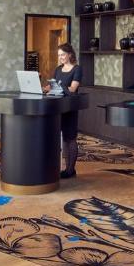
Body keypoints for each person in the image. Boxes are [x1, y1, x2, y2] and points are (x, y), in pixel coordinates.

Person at [47, 43, 82, 178]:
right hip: (58, 107)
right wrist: (49, 88)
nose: (60, 57)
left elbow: (72, 89)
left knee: (70, 138)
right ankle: (66, 168)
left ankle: (71, 169)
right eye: (59, 55)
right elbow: (55, 86)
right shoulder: (58, 69)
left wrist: (59, 88)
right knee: (63, 138)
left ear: (70, 54)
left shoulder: (77, 69)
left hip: (70, 107)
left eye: (62, 55)